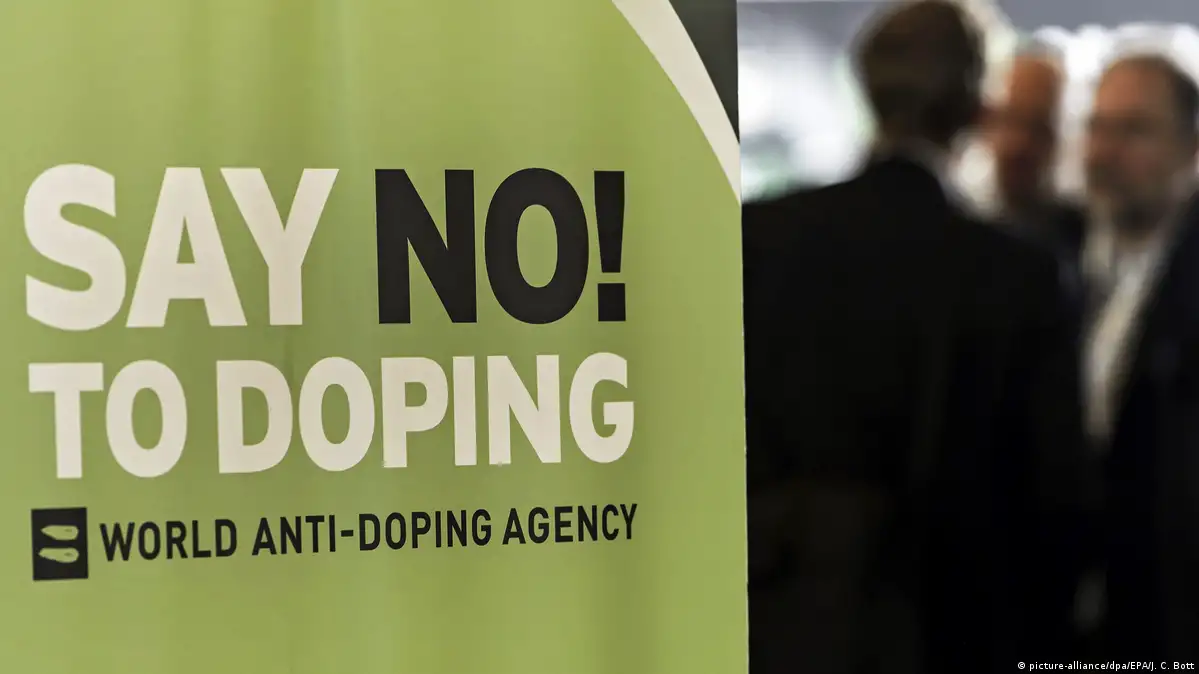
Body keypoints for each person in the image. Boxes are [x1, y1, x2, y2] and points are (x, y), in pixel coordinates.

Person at [744, 2, 1085, 672]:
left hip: (780, 631)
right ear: (977, 108)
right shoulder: (1015, 273)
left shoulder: (757, 238)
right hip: (954, 636)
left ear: (867, 89)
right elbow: (1054, 509)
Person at [1075, 52, 1199, 659]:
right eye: (1097, 126)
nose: (1104, 152)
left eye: (1133, 129)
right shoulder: (1054, 254)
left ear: (1190, 149)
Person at [983, 46, 1086, 276]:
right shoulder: (956, 232)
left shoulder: (1085, 245)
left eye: (1037, 127)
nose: (1019, 144)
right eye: (1009, 120)